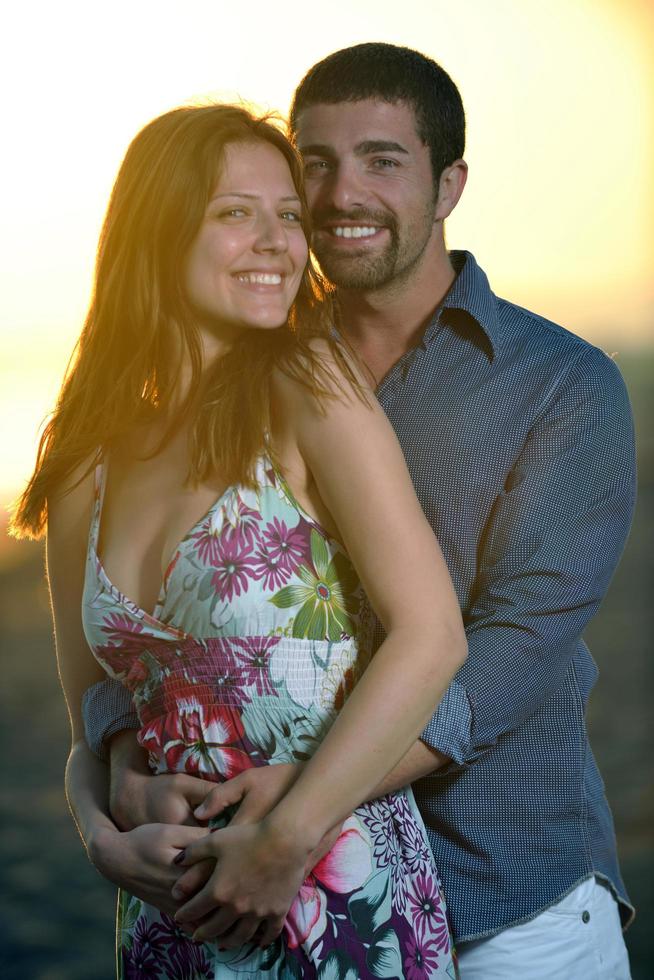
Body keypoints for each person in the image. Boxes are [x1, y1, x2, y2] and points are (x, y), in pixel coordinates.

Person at [84, 44, 638, 978]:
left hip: (504, 890)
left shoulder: (563, 388)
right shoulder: (256, 369)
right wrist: (120, 790)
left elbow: (511, 650)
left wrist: (297, 812)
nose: (342, 194)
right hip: (252, 888)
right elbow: (163, 646)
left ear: (449, 183)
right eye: (316, 164)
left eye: (383, 160)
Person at [11, 103, 468, 977]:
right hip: (169, 915)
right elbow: (94, 725)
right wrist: (102, 835)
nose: (277, 242)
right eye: (235, 213)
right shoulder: (84, 465)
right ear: (158, 234)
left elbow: (432, 634)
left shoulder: (307, 385)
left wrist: (286, 840)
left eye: (288, 215)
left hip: (328, 886)